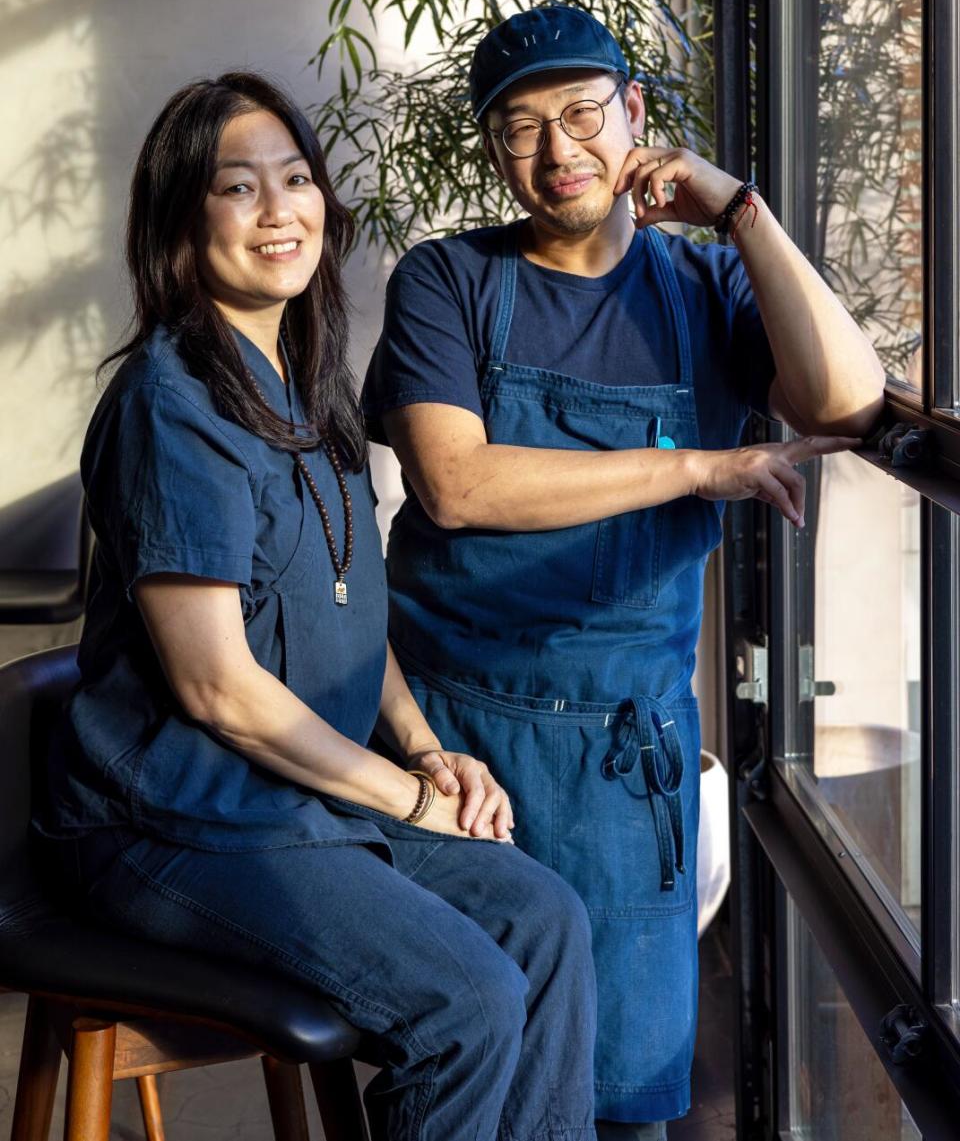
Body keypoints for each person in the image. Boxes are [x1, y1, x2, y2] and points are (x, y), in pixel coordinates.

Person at [33, 71, 599, 1141]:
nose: (280, 209)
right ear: (178, 223)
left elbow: (345, 595)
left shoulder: (302, 378)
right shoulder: (170, 403)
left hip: (296, 800)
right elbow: (218, 690)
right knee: (465, 997)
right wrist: (403, 798)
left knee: (547, 918)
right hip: (176, 822)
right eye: (238, 188)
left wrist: (429, 751)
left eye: (296, 179)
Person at [362, 5, 887, 1139]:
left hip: (620, 763)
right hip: (456, 746)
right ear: (493, 152)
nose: (559, 152)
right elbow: (459, 485)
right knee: (465, 1070)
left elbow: (847, 400)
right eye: (521, 128)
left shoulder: (703, 290)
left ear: (636, 115)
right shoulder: (445, 282)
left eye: (584, 114)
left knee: (619, 1093)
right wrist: (701, 463)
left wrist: (740, 209)